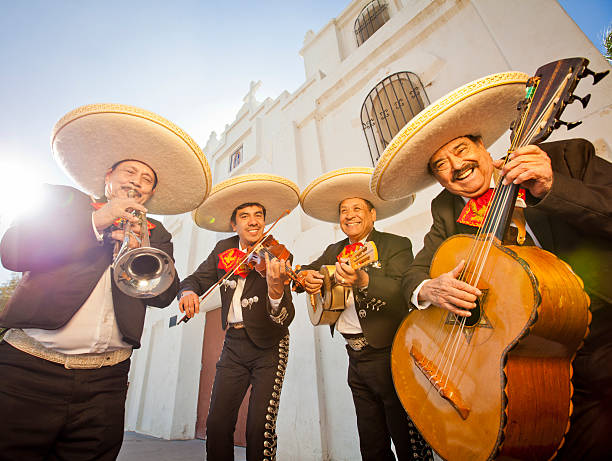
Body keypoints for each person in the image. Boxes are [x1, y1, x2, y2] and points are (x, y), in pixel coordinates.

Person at [371, 72, 612, 459]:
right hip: (523, 362)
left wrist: (554, 188)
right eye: (440, 165)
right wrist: (428, 289)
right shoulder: (447, 210)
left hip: (601, 332)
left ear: (483, 145)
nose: (456, 165)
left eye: (462, 148)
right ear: (439, 180)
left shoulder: (566, 158)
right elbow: (413, 273)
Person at [0, 103, 211, 461]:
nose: (137, 183)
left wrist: (139, 248)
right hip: (28, 372)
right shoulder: (60, 200)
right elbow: (13, 252)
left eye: (147, 180)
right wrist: (97, 225)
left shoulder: (156, 232)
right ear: (108, 176)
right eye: (130, 171)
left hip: (106, 382)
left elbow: (162, 298)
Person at [297, 167, 433, 461]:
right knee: (371, 442)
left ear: (373, 215)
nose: (349, 215)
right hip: (354, 355)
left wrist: (363, 281)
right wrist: (303, 278)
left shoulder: (395, 245)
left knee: (407, 438)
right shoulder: (333, 250)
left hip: (390, 353)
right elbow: (305, 272)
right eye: (343, 210)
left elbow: (402, 293)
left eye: (357, 208)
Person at [179, 173, 299, 461]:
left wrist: (275, 286)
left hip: (269, 344)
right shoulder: (224, 250)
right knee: (217, 424)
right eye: (245, 216)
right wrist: (187, 292)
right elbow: (196, 278)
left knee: (260, 428)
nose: (254, 221)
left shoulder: (278, 254)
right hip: (233, 343)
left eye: (259, 215)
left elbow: (286, 313)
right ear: (234, 224)